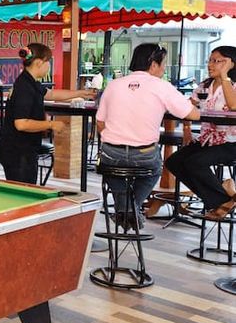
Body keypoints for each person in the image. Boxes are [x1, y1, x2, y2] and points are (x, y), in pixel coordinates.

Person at [96, 42, 200, 229]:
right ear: (153, 64)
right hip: (144, 155)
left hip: (110, 154)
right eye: (163, 64)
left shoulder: (113, 85)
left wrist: (115, 139)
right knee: (154, 170)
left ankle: (125, 211)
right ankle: (131, 210)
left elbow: (100, 122)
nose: (164, 68)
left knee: (112, 173)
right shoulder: (162, 86)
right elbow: (193, 115)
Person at [0, 43, 95, 185]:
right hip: (17, 151)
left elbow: (52, 94)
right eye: (48, 61)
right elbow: (21, 123)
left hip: (22, 148)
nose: (49, 65)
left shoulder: (30, 81)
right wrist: (51, 124)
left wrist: (81, 93)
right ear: (39, 62)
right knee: (25, 192)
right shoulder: (24, 87)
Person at [164, 46, 236, 219]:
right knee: (174, 162)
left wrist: (224, 76)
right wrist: (187, 129)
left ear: (231, 63)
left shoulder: (232, 85)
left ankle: (220, 200)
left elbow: (233, 105)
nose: (210, 65)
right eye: (209, 60)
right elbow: (187, 107)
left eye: (216, 61)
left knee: (195, 163)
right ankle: (223, 197)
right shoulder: (205, 86)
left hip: (231, 142)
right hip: (207, 139)